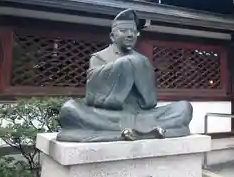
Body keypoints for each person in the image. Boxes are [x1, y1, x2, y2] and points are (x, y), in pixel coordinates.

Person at [56, 9, 193, 142]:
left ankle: (126, 132)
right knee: (69, 109)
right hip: (110, 115)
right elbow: (93, 97)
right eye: (123, 31)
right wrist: (123, 66)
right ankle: (147, 131)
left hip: (141, 115)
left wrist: (137, 70)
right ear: (112, 36)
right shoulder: (99, 57)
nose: (130, 35)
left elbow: (150, 102)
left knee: (184, 108)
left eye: (134, 31)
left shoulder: (142, 60)